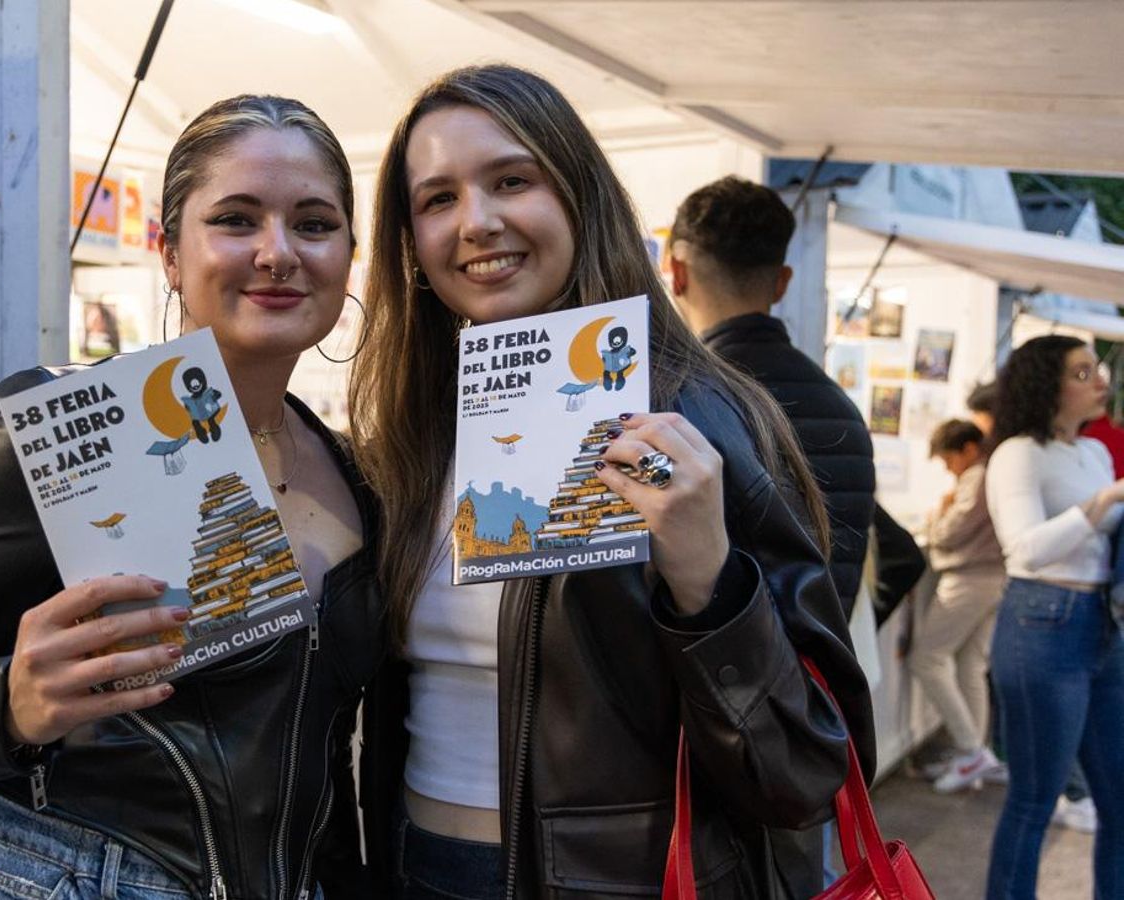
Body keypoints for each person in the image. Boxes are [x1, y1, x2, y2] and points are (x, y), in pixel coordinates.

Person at [348, 64, 873, 900]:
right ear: (408, 242)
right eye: (437, 199)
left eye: (511, 180)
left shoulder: (697, 416)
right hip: (420, 868)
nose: (476, 223)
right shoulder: (411, 437)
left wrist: (708, 580)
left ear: (579, 197)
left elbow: (806, 769)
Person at [0, 95, 380, 900]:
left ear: (347, 253)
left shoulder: (357, 477)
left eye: (313, 223)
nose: (277, 253)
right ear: (170, 254)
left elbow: (322, 759)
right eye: (236, 219)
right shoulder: (64, 431)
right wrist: (11, 704)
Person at [666, 176, 876, 620]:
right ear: (782, 283)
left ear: (677, 273)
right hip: (816, 674)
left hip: (721, 670)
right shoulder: (843, 410)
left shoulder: (679, 403)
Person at [983, 334, 1124, 897]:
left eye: (1098, 370)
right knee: (1034, 800)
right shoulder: (1017, 453)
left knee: (1118, 802)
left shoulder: (1093, 452)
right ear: (1047, 384)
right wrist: (1104, 503)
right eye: (1084, 373)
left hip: (1103, 626)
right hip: (1043, 624)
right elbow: (1024, 550)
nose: (1101, 382)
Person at [910, 419, 1004, 793]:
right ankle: (974, 755)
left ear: (966, 449)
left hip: (970, 579)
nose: (948, 468)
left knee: (927, 658)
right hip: (992, 578)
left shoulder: (976, 478)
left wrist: (938, 513)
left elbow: (950, 531)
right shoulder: (990, 474)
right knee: (971, 665)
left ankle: (971, 750)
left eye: (948, 459)